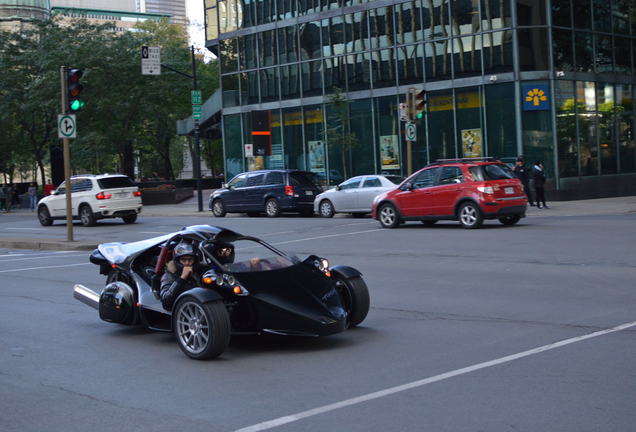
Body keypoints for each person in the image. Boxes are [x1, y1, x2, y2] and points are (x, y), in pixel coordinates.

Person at [160, 241, 202, 311]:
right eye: (183, 260)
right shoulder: (169, 275)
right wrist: (182, 278)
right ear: (177, 261)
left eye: (190, 259)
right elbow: (165, 301)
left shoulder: (199, 270)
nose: (187, 263)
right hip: (186, 309)